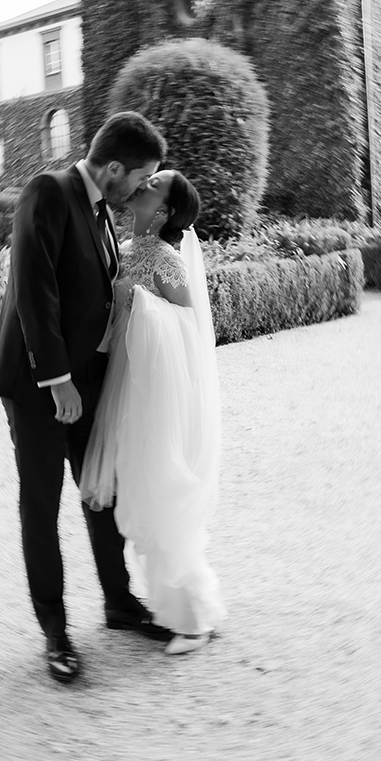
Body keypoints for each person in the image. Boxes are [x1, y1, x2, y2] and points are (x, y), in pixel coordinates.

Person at [0, 111, 169, 684]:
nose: (141, 189)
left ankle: (119, 603)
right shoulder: (48, 191)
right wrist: (58, 378)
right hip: (38, 385)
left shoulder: (101, 211)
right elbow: (32, 288)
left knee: (100, 493)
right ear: (113, 168)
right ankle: (55, 632)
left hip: (86, 383)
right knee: (40, 505)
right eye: (140, 179)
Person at [80, 170, 225, 655]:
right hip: (125, 386)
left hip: (153, 393)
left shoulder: (165, 259)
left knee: (157, 491)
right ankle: (192, 606)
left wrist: (145, 307)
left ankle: (191, 619)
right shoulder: (125, 245)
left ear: (163, 211)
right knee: (139, 493)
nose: (144, 185)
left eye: (154, 184)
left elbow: (190, 325)